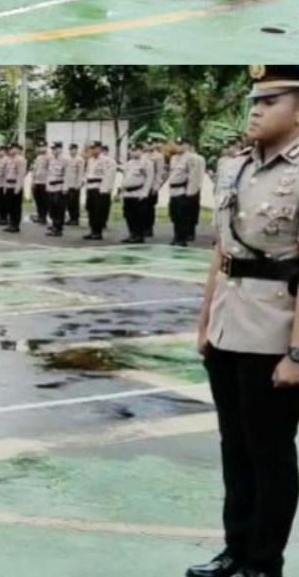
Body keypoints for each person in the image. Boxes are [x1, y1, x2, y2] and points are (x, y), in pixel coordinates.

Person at [191, 65, 299, 577]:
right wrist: (204, 323)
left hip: (274, 332)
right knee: (234, 448)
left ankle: (263, 562)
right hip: (229, 326)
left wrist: (297, 352)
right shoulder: (232, 165)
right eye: (253, 100)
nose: (255, 109)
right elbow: (222, 251)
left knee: (270, 454)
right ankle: (235, 549)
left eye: (270, 101)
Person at [168, 136, 205, 246]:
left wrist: (190, 192)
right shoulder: (174, 158)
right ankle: (176, 236)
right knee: (174, 216)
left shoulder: (192, 158)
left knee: (182, 216)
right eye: (177, 144)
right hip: (174, 190)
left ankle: (182, 238)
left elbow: (194, 176)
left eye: (181, 144)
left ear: (187, 145)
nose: (178, 147)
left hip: (183, 190)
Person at [120, 143, 154, 244]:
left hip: (138, 192)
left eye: (135, 150)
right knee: (128, 215)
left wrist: (145, 192)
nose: (133, 152)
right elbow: (126, 178)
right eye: (131, 150)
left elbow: (149, 178)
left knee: (138, 216)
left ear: (141, 151)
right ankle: (132, 233)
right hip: (128, 193)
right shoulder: (129, 163)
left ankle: (139, 235)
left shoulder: (146, 163)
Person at [84, 141, 116, 241]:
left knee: (99, 212)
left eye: (95, 148)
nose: (93, 150)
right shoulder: (90, 160)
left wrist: (105, 190)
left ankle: (98, 232)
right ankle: (93, 230)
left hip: (100, 189)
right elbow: (88, 174)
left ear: (100, 148)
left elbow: (109, 176)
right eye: (91, 148)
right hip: (91, 188)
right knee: (90, 210)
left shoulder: (108, 161)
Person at [45, 141, 68, 237]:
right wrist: (47, 185)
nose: (53, 151)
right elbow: (49, 173)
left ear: (60, 149)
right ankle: (54, 225)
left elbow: (67, 175)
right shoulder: (51, 160)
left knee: (59, 209)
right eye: (52, 149)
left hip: (59, 187)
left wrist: (65, 188)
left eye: (55, 149)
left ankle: (58, 228)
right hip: (51, 187)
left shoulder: (65, 160)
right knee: (52, 208)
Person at [4, 143, 27, 233]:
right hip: (9, 185)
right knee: (9, 206)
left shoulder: (21, 160)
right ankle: (11, 223)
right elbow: (6, 174)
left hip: (15, 185)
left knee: (16, 207)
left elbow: (21, 174)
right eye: (10, 149)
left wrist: (18, 187)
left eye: (12, 149)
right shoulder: (9, 160)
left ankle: (16, 225)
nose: (11, 151)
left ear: (16, 149)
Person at [30, 141, 50, 223]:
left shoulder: (49, 157)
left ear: (46, 147)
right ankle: (40, 215)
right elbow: (35, 170)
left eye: (43, 146)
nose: (41, 148)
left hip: (44, 182)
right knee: (38, 200)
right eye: (40, 147)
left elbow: (50, 171)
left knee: (44, 200)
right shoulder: (38, 157)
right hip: (37, 182)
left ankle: (43, 216)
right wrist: (33, 181)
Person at [65, 143, 83, 226]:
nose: (71, 151)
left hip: (75, 184)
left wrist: (78, 184)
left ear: (76, 149)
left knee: (74, 203)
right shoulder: (67, 159)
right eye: (70, 149)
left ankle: (75, 218)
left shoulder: (80, 160)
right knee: (69, 202)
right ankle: (71, 217)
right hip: (68, 184)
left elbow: (80, 173)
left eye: (73, 149)